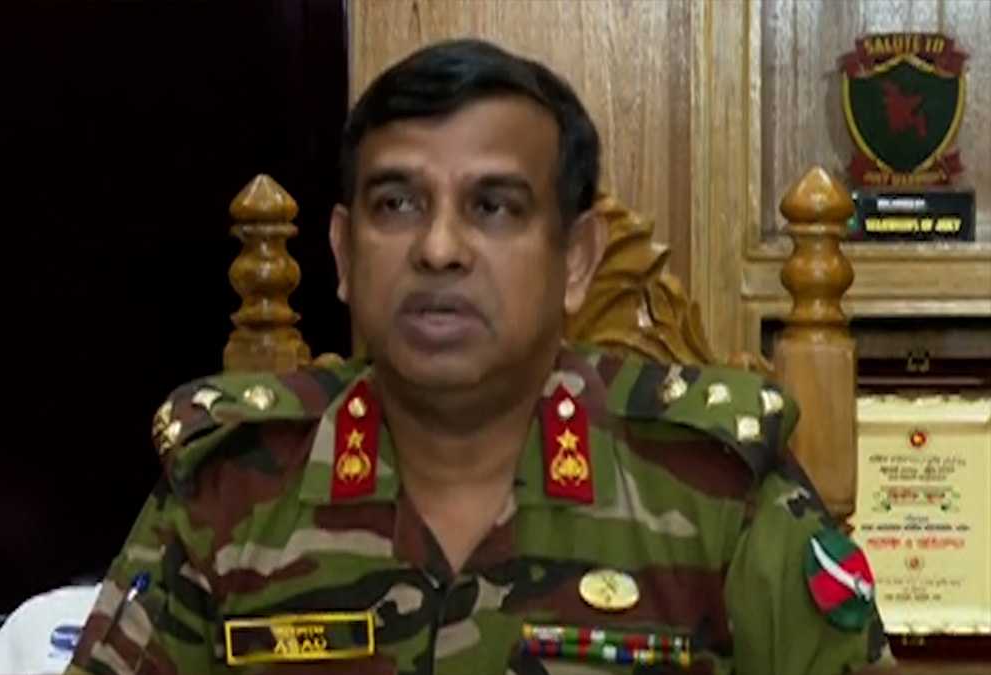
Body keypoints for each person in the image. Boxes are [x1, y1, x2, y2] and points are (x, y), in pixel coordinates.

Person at [63, 39, 889, 675]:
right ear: (345, 254)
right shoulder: (229, 487)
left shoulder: (717, 491)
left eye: (493, 206)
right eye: (397, 203)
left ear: (576, 258)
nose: (439, 248)